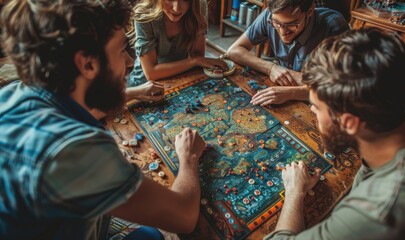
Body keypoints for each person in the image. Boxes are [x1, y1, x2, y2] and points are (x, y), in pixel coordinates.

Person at [0, 0, 206, 239]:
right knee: (153, 236)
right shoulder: (76, 151)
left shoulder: (12, 93)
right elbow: (184, 217)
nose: (129, 63)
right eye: (121, 51)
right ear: (87, 64)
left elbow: (75, 107)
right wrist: (188, 157)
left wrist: (131, 92)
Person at [264, 28, 405, 240]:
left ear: (348, 122)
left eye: (316, 107)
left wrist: (295, 191)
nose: (312, 111)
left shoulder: (379, 210)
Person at [226, 0, 349, 106]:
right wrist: (271, 68)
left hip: (318, 102)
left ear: (310, 10)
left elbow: (341, 89)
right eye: (276, 23)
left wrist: (292, 92)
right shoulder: (270, 15)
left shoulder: (333, 25)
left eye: (291, 24)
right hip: (288, 91)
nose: (282, 31)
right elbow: (234, 51)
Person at [127, 0, 228, 86]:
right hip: (144, 85)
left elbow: (198, 54)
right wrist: (194, 61)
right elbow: (151, 73)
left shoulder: (198, 6)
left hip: (182, 78)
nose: (177, 8)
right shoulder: (144, 15)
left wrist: (196, 60)